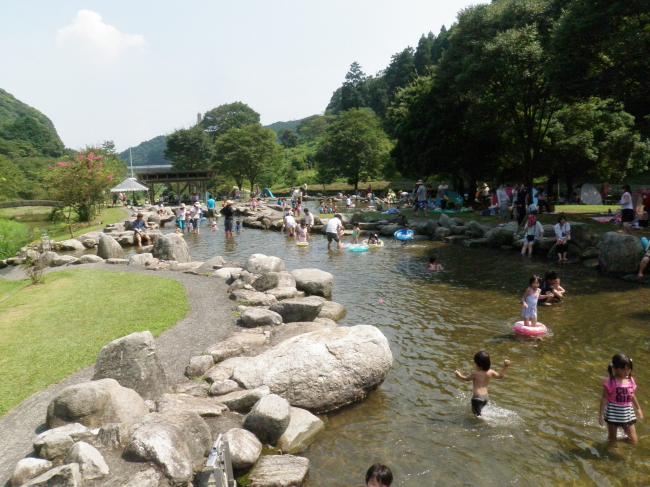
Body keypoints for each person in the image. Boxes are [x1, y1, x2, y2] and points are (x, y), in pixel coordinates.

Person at [599, 353, 643, 444]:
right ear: (615, 369)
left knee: (634, 441)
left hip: (627, 414)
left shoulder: (630, 380)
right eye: (623, 369)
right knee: (612, 442)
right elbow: (604, 399)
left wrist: (638, 409)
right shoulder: (610, 382)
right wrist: (600, 415)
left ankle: (616, 440)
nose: (626, 371)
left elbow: (632, 395)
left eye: (628, 369)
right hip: (613, 414)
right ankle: (612, 441)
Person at [454, 351, 511, 417]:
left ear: (479, 365)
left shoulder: (475, 374)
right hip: (485, 398)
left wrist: (458, 374)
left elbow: (465, 379)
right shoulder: (491, 372)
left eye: (475, 363)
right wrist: (505, 367)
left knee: (476, 416)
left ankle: (487, 423)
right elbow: (500, 376)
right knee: (479, 413)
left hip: (477, 399)